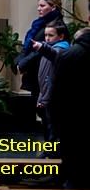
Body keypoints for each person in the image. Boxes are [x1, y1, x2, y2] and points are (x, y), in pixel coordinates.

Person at [52, 26, 90, 189]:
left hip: (72, 121)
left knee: (75, 172)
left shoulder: (68, 55)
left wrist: (56, 124)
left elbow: (57, 93)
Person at [31, 20, 69, 158]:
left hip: (54, 99)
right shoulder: (50, 49)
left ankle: (53, 158)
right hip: (47, 96)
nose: (47, 38)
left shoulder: (62, 50)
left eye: (51, 35)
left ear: (61, 36)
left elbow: (54, 54)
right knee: (49, 131)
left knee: (53, 132)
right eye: (46, 35)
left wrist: (42, 47)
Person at [16, 0, 63, 102]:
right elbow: (29, 44)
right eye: (38, 6)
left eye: (42, 6)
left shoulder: (57, 25)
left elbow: (45, 48)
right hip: (34, 72)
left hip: (45, 72)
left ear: (53, 7)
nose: (38, 9)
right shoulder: (39, 24)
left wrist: (24, 62)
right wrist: (19, 59)